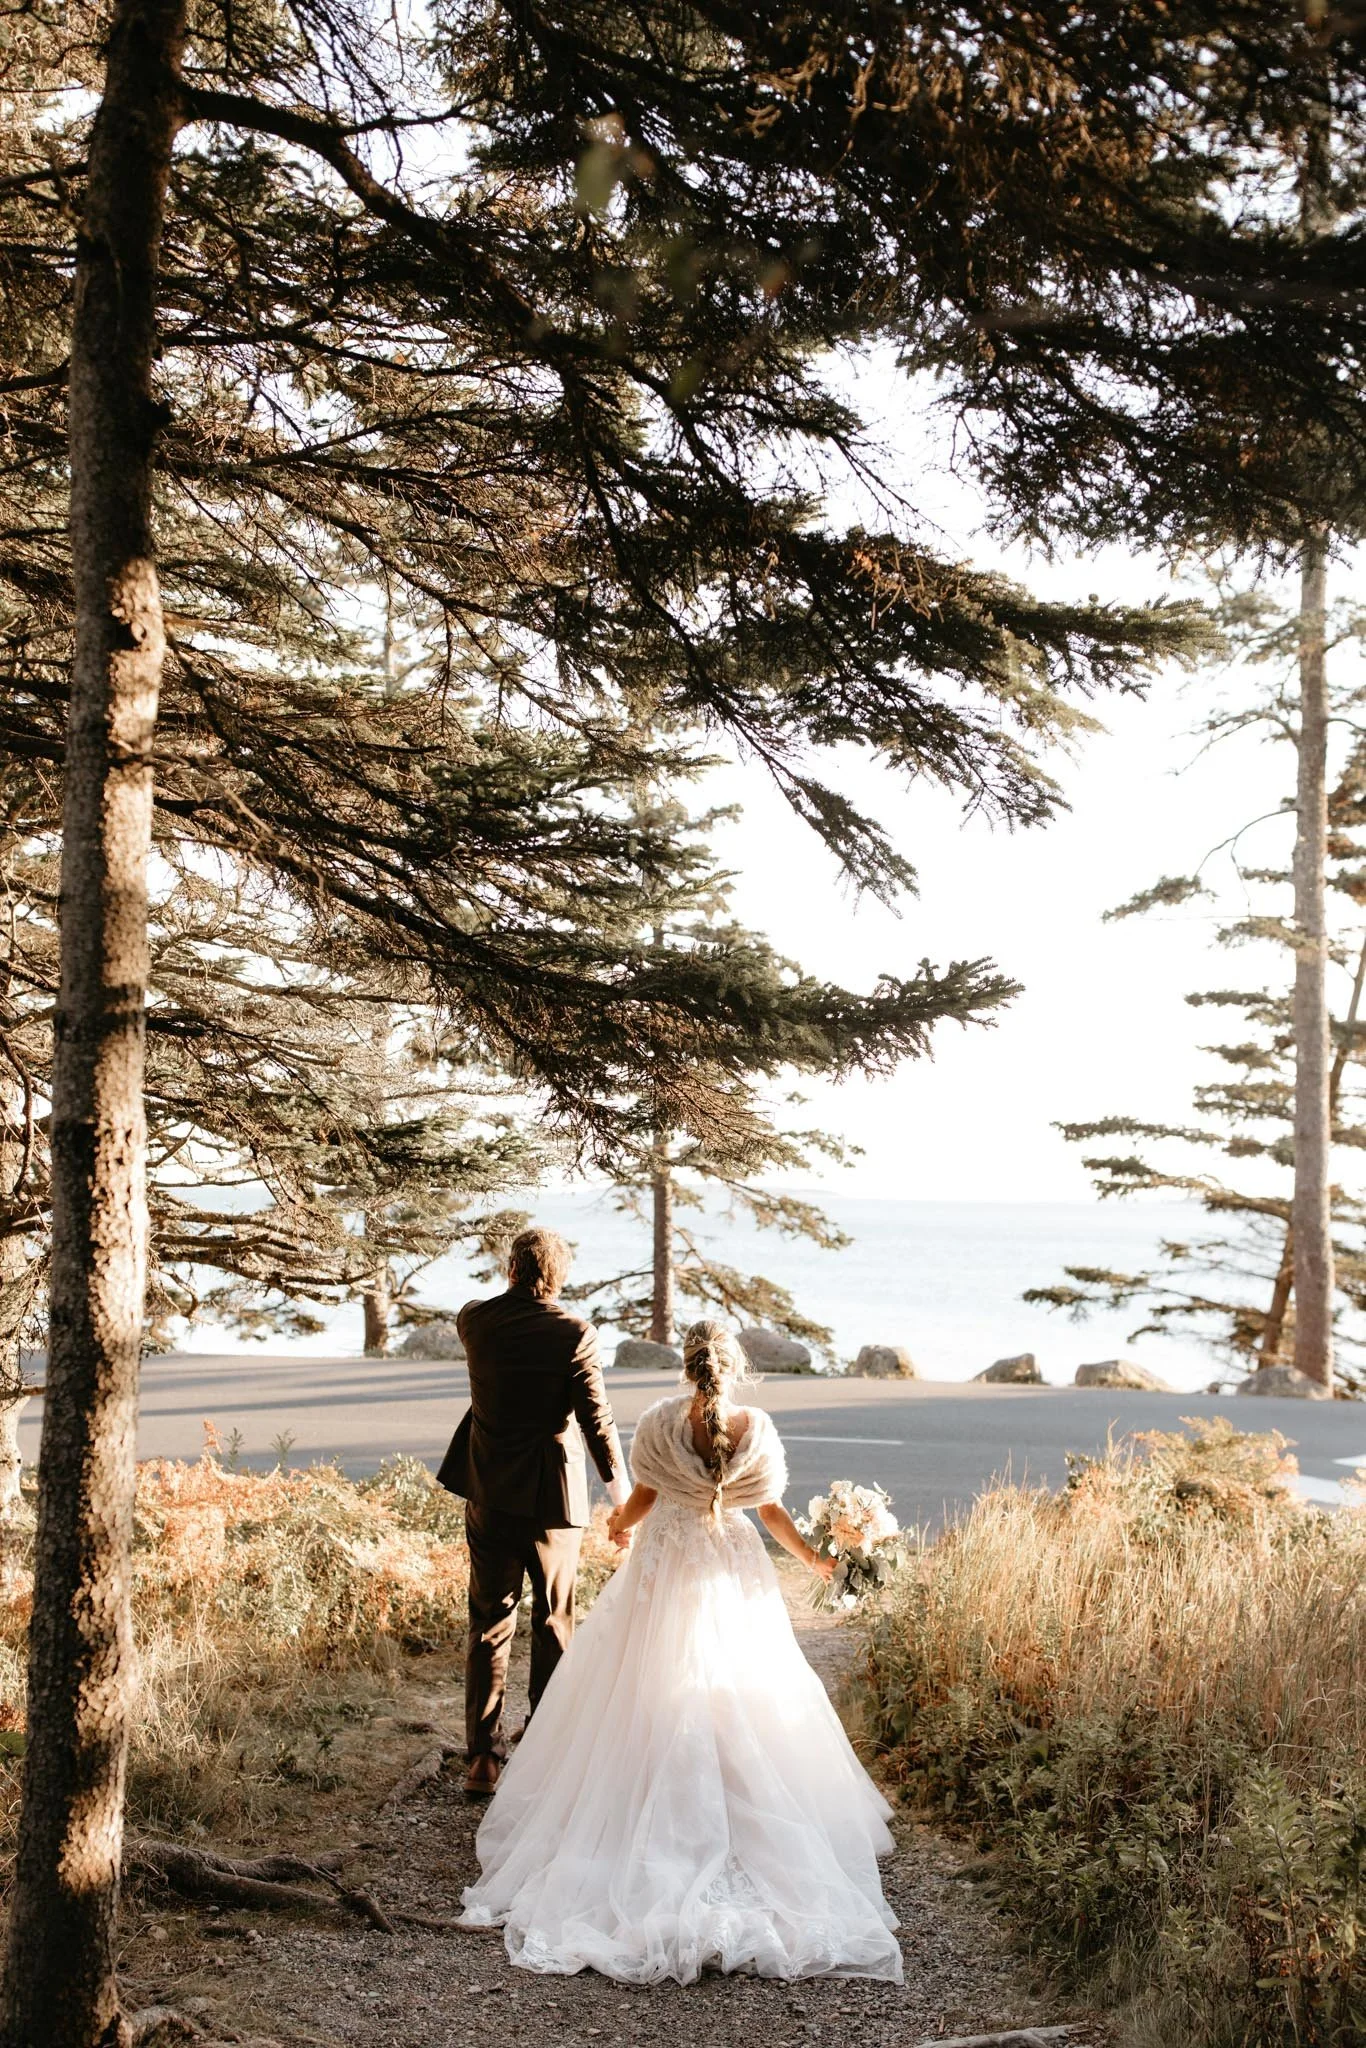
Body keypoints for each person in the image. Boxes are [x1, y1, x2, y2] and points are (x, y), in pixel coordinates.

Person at [458, 1318, 904, 1985]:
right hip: (730, 1562)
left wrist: (616, 1526)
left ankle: (646, 1802)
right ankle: (741, 1801)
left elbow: (641, 1500)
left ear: (687, 1367)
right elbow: (772, 1510)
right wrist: (815, 1559)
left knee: (647, 1679)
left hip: (667, 1561)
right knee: (740, 1682)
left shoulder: (664, 1420)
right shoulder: (755, 1426)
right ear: (734, 1368)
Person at [437, 1225, 630, 1798]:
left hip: (489, 1495)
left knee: (489, 1625)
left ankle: (482, 1761)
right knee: (553, 1624)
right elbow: (598, 1423)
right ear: (559, 1276)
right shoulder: (574, 1334)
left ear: (512, 1270)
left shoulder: (475, 1321)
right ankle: (543, 1755)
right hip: (553, 1504)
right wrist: (625, 1505)